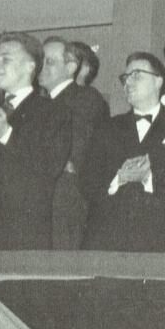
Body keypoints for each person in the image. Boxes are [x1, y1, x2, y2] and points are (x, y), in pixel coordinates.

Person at [81, 52, 165, 253]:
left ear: (158, 81)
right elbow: (86, 182)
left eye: (136, 75)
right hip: (111, 242)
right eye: (125, 77)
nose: (128, 82)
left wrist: (149, 177)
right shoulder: (106, 127)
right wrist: (119, 178)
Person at [0, 34, 70, 251]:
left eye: (5, 59)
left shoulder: (54, 112)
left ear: (30, 66)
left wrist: (5, 134)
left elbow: (46, 171)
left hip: (22, 238)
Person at [40, 37, 106, 251]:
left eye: (49, 62)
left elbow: (76, 156)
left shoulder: (85, 97)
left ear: (71, 68)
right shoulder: (41, 102)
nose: (41, 67)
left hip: (64, 199)